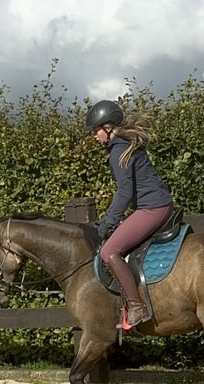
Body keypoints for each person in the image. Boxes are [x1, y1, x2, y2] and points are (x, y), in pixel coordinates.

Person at [85, 99, 174, 327]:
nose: (95, 136)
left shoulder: (118, 151)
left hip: (151, 208)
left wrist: (107, 222)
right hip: (157, 205)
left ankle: (136, 307)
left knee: (109, 251)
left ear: (108, 127)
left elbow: (124, 193)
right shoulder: (126, 145)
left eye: (96, 130)